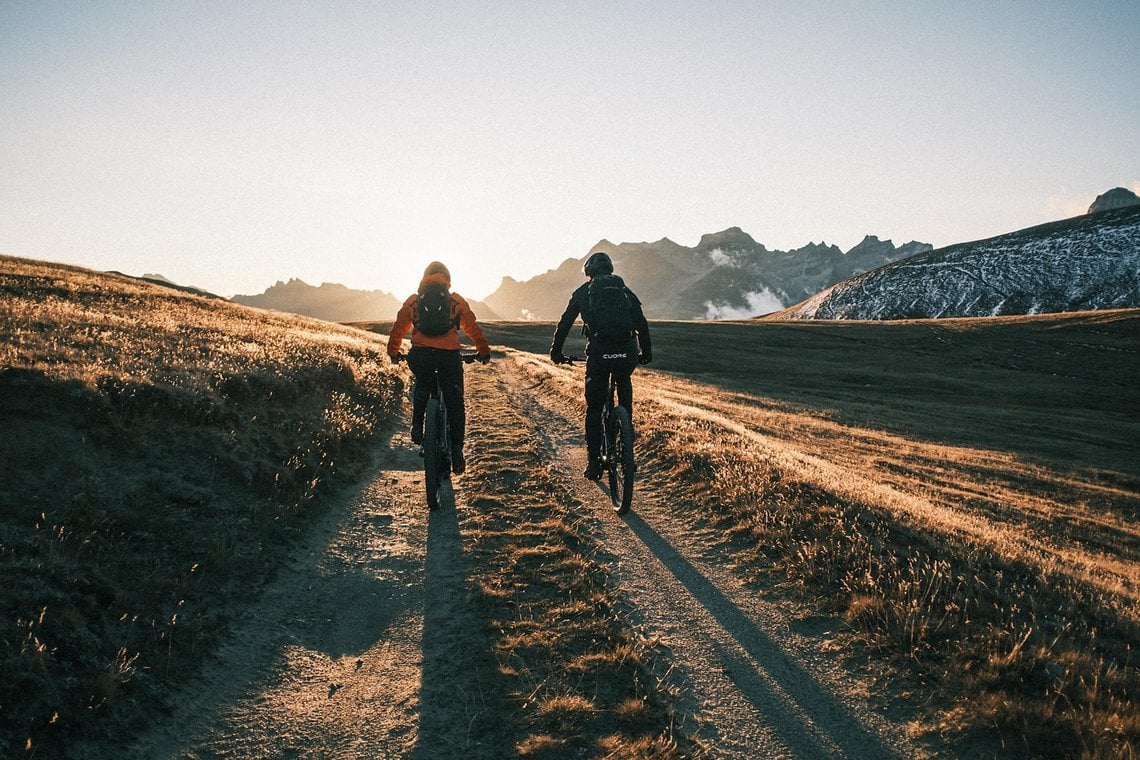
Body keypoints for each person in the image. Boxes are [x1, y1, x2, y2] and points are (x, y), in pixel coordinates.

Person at [549, 251, 652, 480]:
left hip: (600, 355)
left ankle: (594, 463)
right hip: (627, 353)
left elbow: (565, 323)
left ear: (589, 272)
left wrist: (556, 352)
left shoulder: (583, 292)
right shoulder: (625, 291)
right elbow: (641, 323)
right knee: (624, 386)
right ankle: (627, 451)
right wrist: (646, 352)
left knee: (595, 409)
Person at [387, 261, 491, 475]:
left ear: (424, 277)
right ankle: (457, 448)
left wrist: (393, 352)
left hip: (421, 355)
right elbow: (472, 327)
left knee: (423, 385)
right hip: (448, 358)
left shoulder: (414, 301)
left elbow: (399, 327)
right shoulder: (455, 301)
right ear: (447, 279)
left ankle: (417, 424)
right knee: (455, 402)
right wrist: (483, 351)